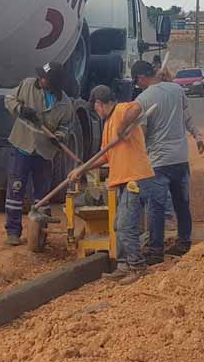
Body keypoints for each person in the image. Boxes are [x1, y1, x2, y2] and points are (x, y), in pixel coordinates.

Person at [68, 85, 155, 286]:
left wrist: (123, 127)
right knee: (118, 225)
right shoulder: (107, 123)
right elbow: (106, 155)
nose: (96, 111)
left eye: (96, 107)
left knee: (126, 225)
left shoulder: (121, 110)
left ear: (99, 103)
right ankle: (123, 265)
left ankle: (137, 267)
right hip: (124, 180)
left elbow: (138, 108)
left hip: (136, 178)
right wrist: (81, 169)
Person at [131, 60, 204, 264]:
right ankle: (184, 242)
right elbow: (186, 117)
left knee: (156, 207)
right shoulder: (177, 89)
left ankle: (155, 252)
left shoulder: (143, 98)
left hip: (158, 161)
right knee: (182, 203)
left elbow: (142, 133)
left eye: (137, 81)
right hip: (180, 158)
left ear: (141, 78)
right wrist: (197, 136)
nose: (138, 85)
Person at [3, 62, 75, 246]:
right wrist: (21, 109)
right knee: (16, 190)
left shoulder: (65, 105)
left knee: (42, 195)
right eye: (41, 76)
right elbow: (9, 99)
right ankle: (13, 232)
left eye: (45, 78)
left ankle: (41, 234)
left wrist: (58, 137)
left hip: (44, 152)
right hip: (22, 146)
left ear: (54, 83)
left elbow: (65, 127)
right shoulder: (27, 85)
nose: (40, 79)